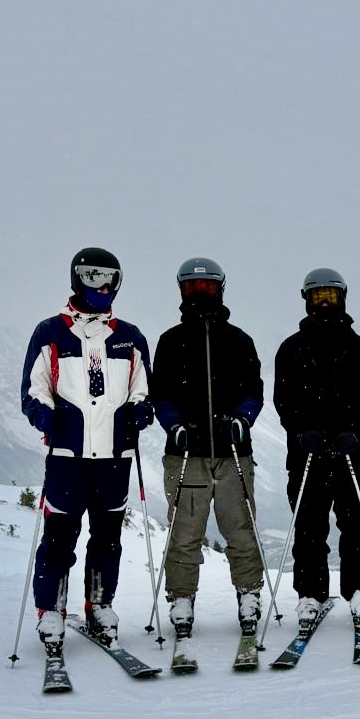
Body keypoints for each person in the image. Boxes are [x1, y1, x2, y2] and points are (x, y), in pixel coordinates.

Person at [19, 247, 153, 650]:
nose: (103, 286)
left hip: (114, 457)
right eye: (94, 277)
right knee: (59, 537)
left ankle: (99, 604)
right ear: (77, 278)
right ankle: (51, 609)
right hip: (68, 457)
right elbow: (34, 391)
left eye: (111, 278)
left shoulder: (130, 337)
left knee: (107, 538)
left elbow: (143, 390)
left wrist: (140, 411)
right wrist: (45, 417)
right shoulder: (51, 332)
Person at [151, 257, 266, 638]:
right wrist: (173, 424)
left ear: (220, 289)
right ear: (182, 290)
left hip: (232, 451)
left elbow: (254, 390)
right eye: (193, 288)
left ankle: (248, 593)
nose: (201, 294)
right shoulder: (170, 341)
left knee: (240, 528)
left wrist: (243, 419)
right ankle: (181, 598)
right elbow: (160, 392)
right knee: (185, 532)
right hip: (187, 452)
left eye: (208, 287)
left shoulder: (239, 340)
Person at [273, 268, 360, 628]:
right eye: (317, 296)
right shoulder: (291, 348)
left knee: (356, 525)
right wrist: (299, 432)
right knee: (308, 526)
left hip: (352, 452)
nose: (324, 303)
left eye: (330, 296)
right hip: (306, 453)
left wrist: (357, 432)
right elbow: (283, 399)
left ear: (343, 298)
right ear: (306, 300)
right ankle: (310, 593)